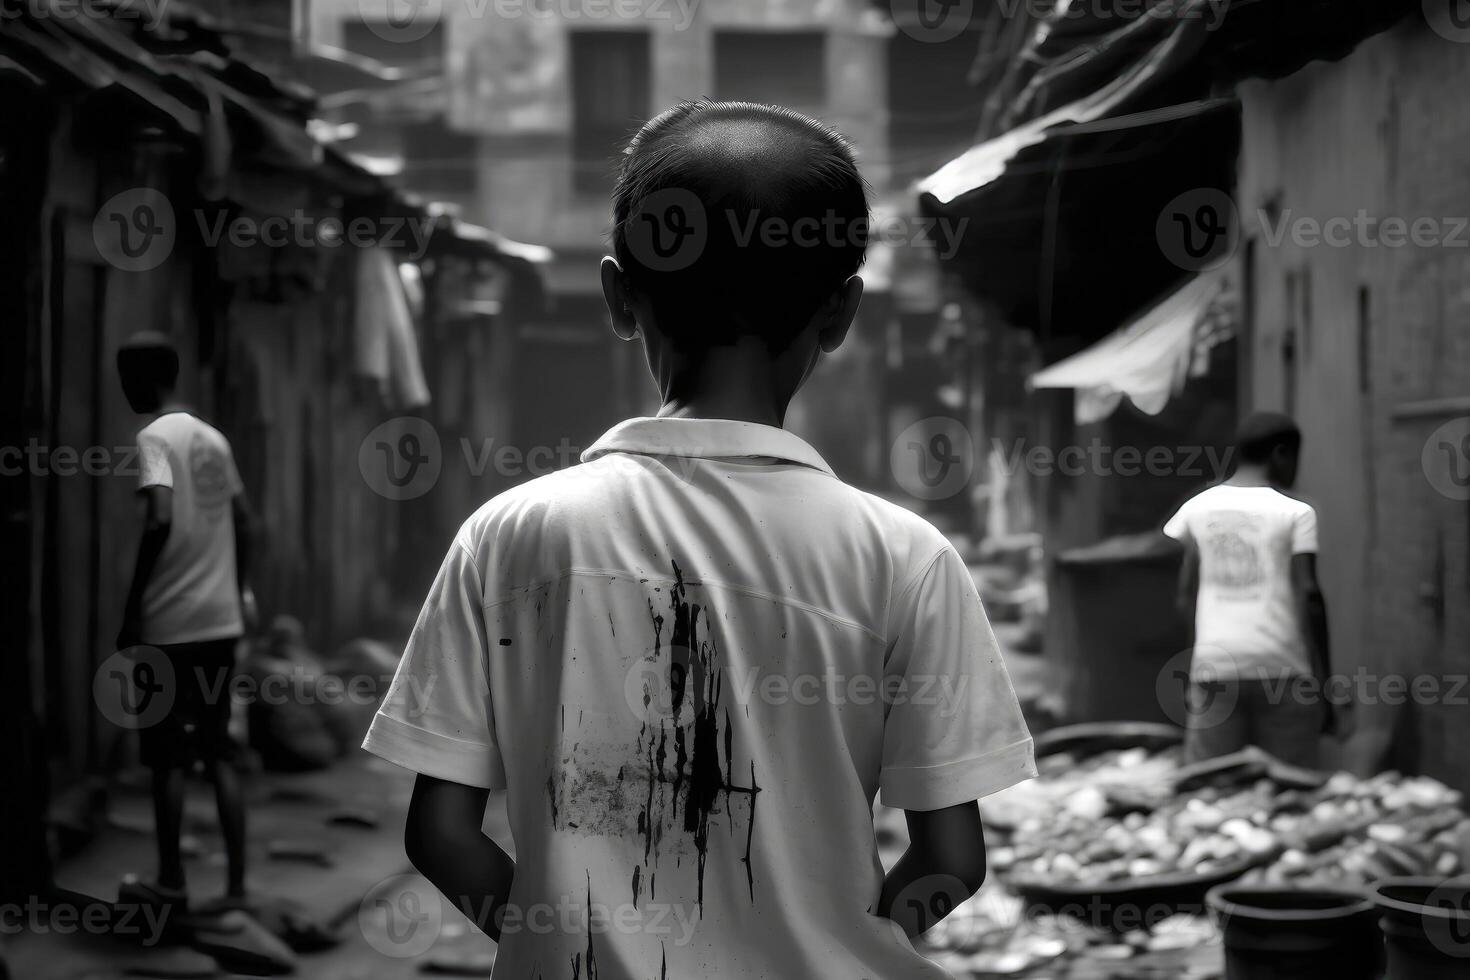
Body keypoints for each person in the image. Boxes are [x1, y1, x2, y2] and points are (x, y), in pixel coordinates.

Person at [365, 100, 1035, 979]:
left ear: (616, 296)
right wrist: (852, 947)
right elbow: (950, 861)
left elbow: (442, 834)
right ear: (840, 313)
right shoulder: (905, 558)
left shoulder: (509, 535)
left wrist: (559, 944)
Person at [116, 332, 255, 910]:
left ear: (145, 378)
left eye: (126, 376)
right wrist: (238, 590)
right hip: (219, 624)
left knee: (167, 757)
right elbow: (247, 521)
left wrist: (131, 610)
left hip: (169, 625)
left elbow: (159, 521)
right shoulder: (213, 441)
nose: (122, 389)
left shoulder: (153, 439)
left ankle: (172, 881)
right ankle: (236, 889)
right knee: (219, 749)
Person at [1164, 411, 1343, 769]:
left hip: (1214, 667)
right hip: (1281, 669)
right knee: (1288, 787)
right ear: (1281, 454)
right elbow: (1309, 596)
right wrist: (1324, 684)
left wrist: (1193, 663)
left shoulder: (1196, 509)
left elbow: (1186, 595)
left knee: (1211, 788)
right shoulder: (1296, 513)